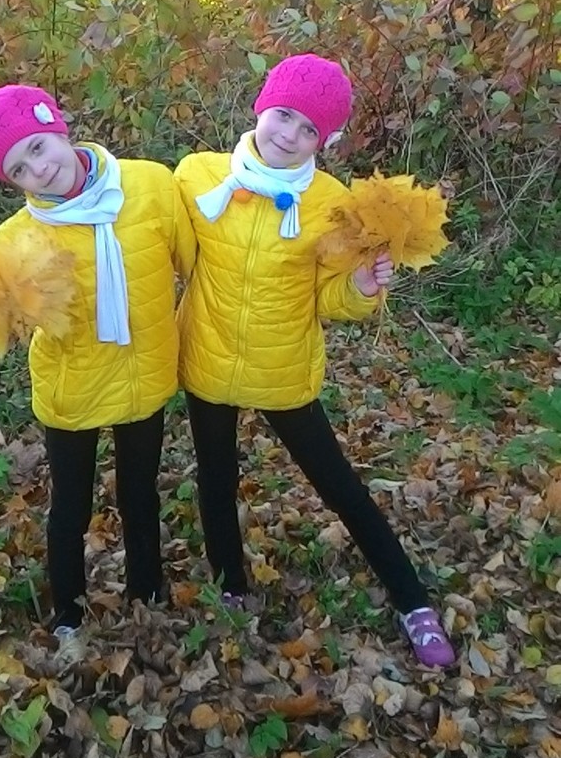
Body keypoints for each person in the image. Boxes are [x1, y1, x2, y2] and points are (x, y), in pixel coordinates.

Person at [174, 54, 455, 669]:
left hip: (283, 368)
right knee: (216, 477)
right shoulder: (198, 176)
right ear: (261, 107)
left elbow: (329, 297)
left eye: (309, 129)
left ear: (323, 141)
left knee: (339, 485)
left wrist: (361, 285)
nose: (290, 135)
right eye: (283, 115)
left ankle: (412, 602)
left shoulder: (331, 203)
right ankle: (231, 583)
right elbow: (168, 252)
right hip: (208, 360)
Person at [0, 84, 196, 644]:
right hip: (72, 388)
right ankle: (68, 613)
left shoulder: (150, 186)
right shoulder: (17, 238)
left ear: (58, 129)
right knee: (70, 506)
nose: (38, 169)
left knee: (140, 494)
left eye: (37, 147)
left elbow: (195, 264)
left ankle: (147, 592)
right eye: (19, 169)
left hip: (145, 373)